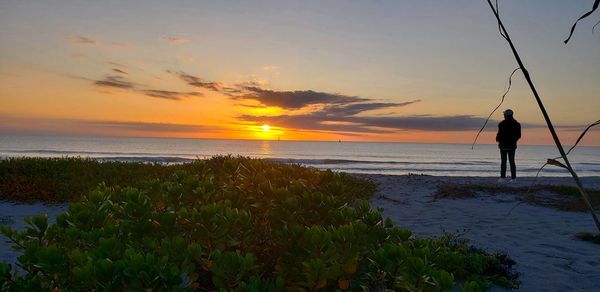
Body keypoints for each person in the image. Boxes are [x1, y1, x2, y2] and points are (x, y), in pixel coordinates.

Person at [496, 109, 521, 182]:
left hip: (503, 146)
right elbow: (519, 136)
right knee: (512, 162)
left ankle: (502, 178)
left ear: (506, 115)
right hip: (512, 146)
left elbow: (499, 134)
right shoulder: (517, 124)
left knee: (504, 161)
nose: (503, 115)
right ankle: (513, 178)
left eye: (504, 114)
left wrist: (498, 140)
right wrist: (513, 141)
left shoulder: (501, 124)